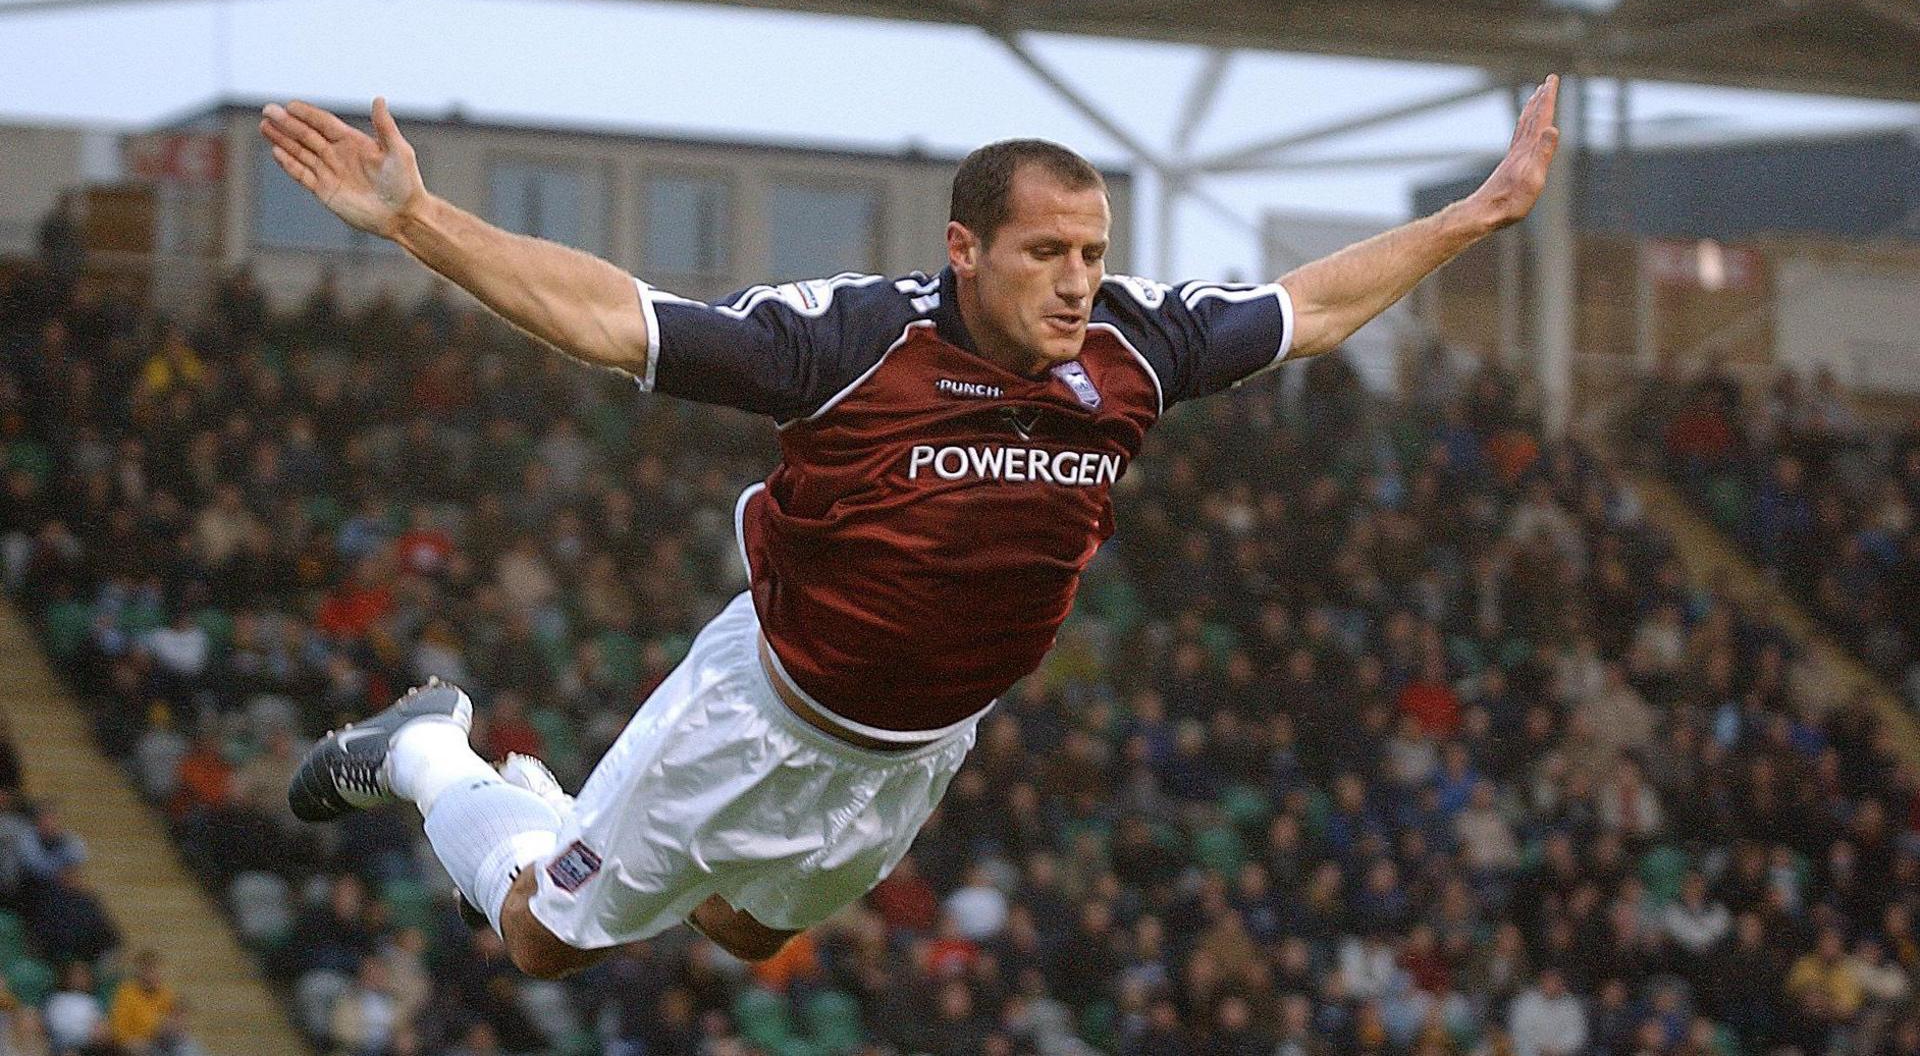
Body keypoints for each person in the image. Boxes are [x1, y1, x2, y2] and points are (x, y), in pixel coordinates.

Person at [263, 77, 1561, 980]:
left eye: (1093, 250)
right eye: (1046, 251)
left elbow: (1308, 308)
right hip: (758, 717)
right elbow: (617, 320)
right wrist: (420, 222)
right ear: (965, 248)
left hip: (921, 749)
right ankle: (433, 753)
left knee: (745, 933)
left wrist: (1472, 216)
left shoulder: (1133, 344)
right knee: (547, 939)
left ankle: (564, 809)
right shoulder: (846, 338)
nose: (1077, 279)